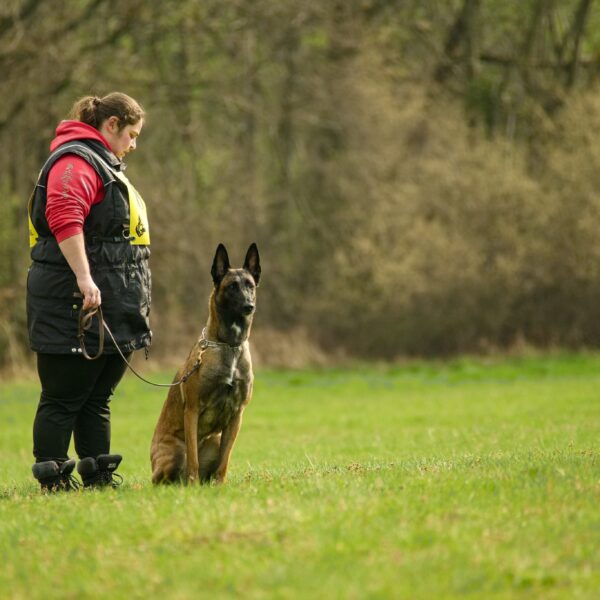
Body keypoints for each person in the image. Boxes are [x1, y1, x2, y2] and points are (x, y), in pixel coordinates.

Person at [27, 92, 151, 491]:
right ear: (111, 124)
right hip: (71, 300)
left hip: (109, 303)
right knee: (63, 397)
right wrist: (84, 278)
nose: (134, 145)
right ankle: (53, 477)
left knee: (96, 397)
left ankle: (98, 475)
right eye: (131, 134)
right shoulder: (75, 162)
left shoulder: (103, 163)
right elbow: (64, 217)